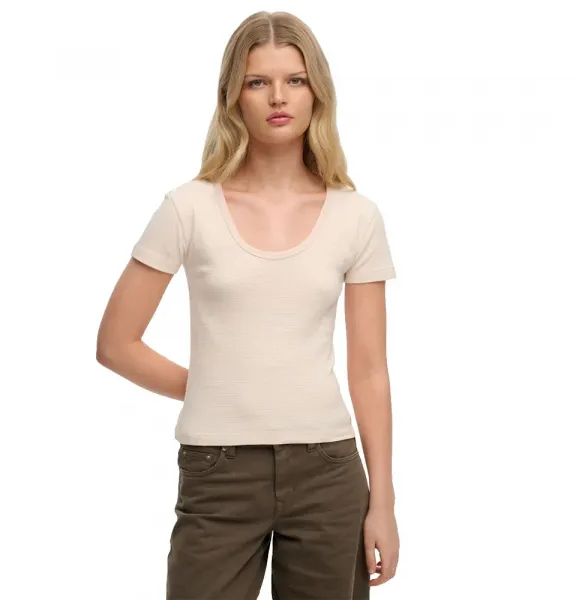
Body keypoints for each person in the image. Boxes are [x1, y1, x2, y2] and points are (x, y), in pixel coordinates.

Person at [96, 10, 400, 600]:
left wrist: (382, 503)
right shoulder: (188, 208)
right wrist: (219, 387)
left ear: (317, 92)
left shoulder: (356, 216)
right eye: (258, 81)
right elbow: (115, 344)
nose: (278, 97)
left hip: (329, 473)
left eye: (295, 80)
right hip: (218, 471)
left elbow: (369, 371)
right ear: (233, 95)